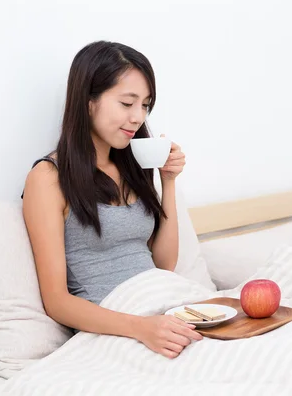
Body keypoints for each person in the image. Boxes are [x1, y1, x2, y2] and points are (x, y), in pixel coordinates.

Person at [22, 41, 203, 359]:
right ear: (89, 100)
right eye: (126, 103)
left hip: (164, 310)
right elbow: (56, 301)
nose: (137, 117)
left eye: (145, 105)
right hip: (119, 331)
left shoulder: (133, 166)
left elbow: (163, 264)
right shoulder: (48, 178)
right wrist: (142, 328)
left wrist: (168, 182)